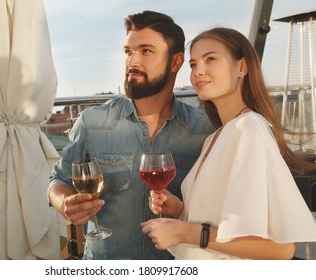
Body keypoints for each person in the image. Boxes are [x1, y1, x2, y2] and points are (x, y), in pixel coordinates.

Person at [48, 10, 214, 260]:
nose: (132, 62)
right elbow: (58, 179)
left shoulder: (205, 132)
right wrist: (65, 203)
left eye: (146, 51)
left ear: (175, 62)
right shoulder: (92, 122)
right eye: (128, 52)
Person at [141, 27, 316, 260]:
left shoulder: (249, 128)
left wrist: (185, 231)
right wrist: (182, 210)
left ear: (242, 67)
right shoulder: (217, 137)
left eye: (210, 59)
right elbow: (225, 222)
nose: (198, 72)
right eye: (193, 64)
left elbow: (280, 249)